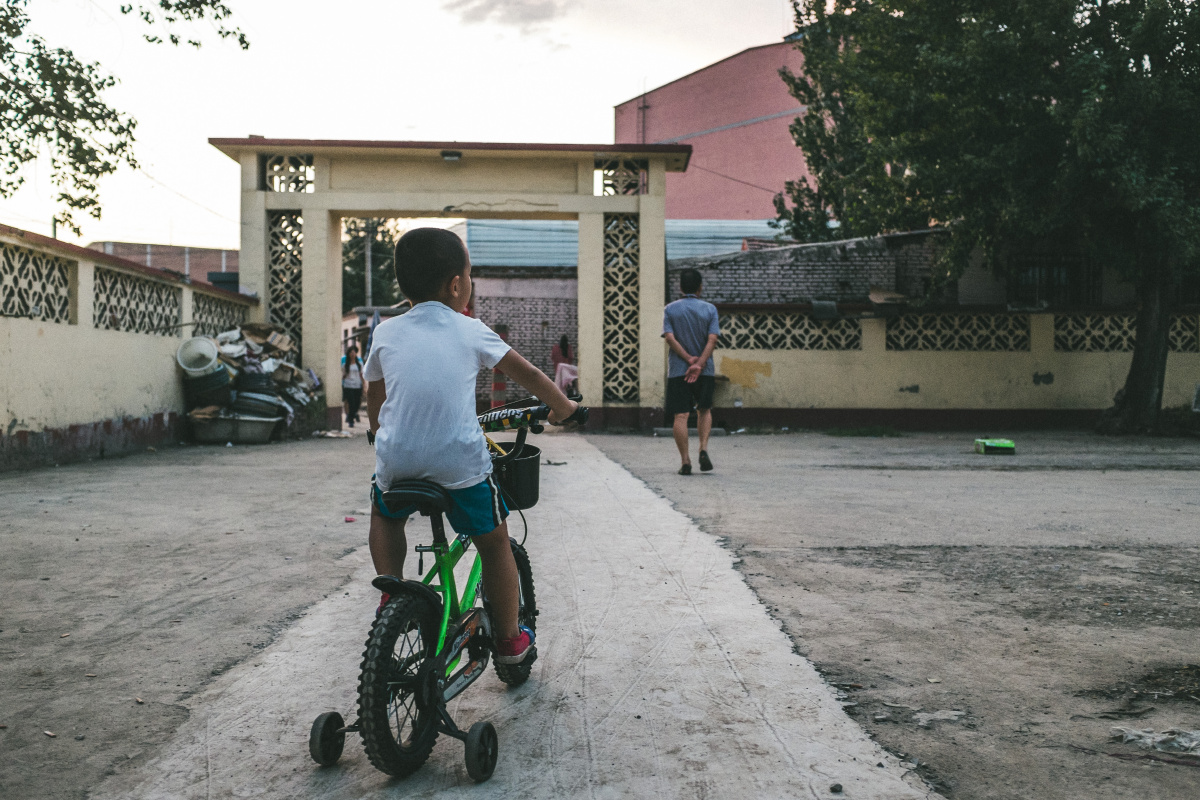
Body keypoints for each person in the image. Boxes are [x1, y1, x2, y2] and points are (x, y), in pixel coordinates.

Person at [364, 227, 579, 665]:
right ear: (457, 285)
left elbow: (374, 390)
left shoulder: (386, 332)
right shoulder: (470, 329)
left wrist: (375, 430)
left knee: (385, 511)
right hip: (458, 465)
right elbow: (532, 377)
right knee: (495, 543)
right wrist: (563, 408)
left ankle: (391, 591)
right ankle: (507, 641)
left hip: (398, 460)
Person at [662, 268, 720, 475]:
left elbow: (669, 337)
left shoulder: (670, 309)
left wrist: (688, 360)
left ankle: (685, 461)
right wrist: (700, 364)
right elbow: (712, 339)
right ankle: (703, 448)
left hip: (679, 370)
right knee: (704, 410)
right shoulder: (710, 309)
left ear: (680, 287)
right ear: (700, 287)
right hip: (705, 371)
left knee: (681, 415)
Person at [341, 343, 364, 427]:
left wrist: (364, 385)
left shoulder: (359, 364)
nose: (352, 354)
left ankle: (353, 414)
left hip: (357, 385)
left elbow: (361, 375)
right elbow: (343, 376)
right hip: (348, 385)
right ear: (349, 354)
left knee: (357, 403)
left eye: (354, 352)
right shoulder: (345, 365)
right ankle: (351, 420)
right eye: (351, 352)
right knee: (351, 403)